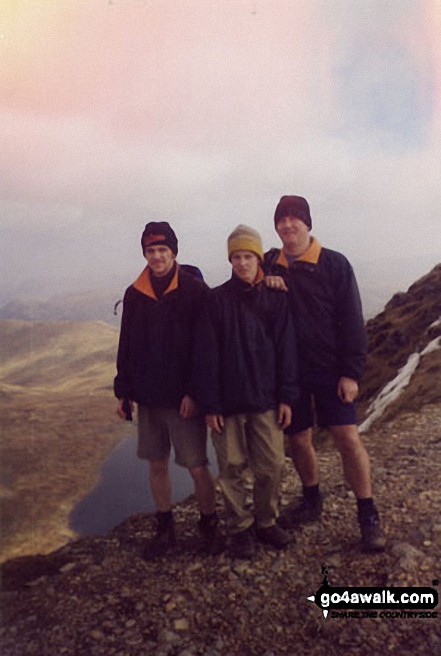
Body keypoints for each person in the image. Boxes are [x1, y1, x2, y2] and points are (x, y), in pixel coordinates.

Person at [264, 196, 386, 552]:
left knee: (347, 437)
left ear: (308, 224)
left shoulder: (334, 264)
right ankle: (311, 500)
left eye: (294, 219)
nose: (288, 225)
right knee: (299, 438)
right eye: (281, 220)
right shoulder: (270, 262)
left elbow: (352, 320)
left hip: (331, 370)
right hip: (291, 372)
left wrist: (351, 373)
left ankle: (368, 514)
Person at [114, 221, 223, 559]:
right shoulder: (135, 294)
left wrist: (194, 392)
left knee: (196, 465)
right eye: (151, 251)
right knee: (156, 464)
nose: (157, 256)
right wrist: (123, 390)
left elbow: (205, 348)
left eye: (163, 250)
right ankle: (165, 527)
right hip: (148, 397)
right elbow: (127, 344)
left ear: (174, 252)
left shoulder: (194, 291)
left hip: (182, 400)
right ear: (145, 253)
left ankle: (209, 524)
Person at [194, 225, 298, 558]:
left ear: (258, 258)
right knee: (231, 468)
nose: (242, 263)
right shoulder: (216, 299)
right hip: (226, 405)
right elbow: (205, 355)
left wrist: (286, 397)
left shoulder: (275, 297)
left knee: (272, 466)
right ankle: (240, 528)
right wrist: (210, 404)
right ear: (230, 260)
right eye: (236, 257)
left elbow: (286, 349)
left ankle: (267, 522)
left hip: (266, 400)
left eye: (248, 256)